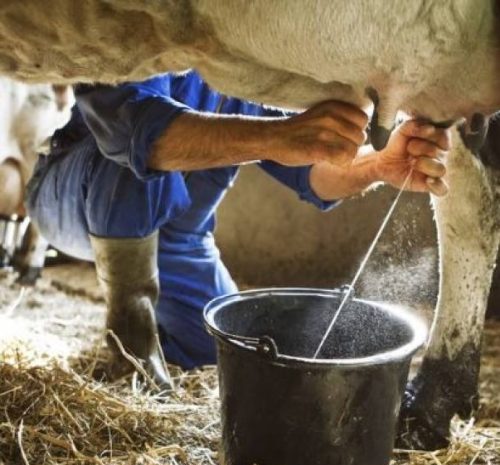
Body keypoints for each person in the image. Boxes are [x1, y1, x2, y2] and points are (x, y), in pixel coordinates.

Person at [25, 71, 450, 388]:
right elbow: (133, 132)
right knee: (135, 153)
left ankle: (165, 335)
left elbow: (314, 174)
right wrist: (279, 136)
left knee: (227, 352)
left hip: (180, 242)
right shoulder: (146, 28)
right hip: (71, 193)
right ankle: (130, 341)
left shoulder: (246, 68)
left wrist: (377, 165)